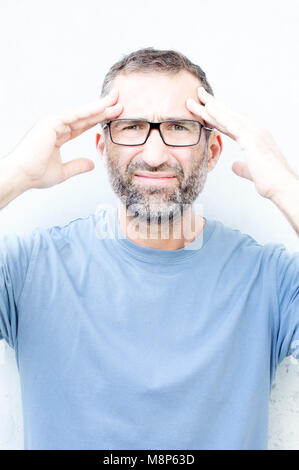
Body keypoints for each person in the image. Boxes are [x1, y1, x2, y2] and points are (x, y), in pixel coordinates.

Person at [0, 47, 298, 450]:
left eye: (178, 127)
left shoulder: (272, 281)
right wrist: (15, 174)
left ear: (211, 152)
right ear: (104, 148)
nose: (155, 156)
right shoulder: (28, 271)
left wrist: (284, 185)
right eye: (131, 126)